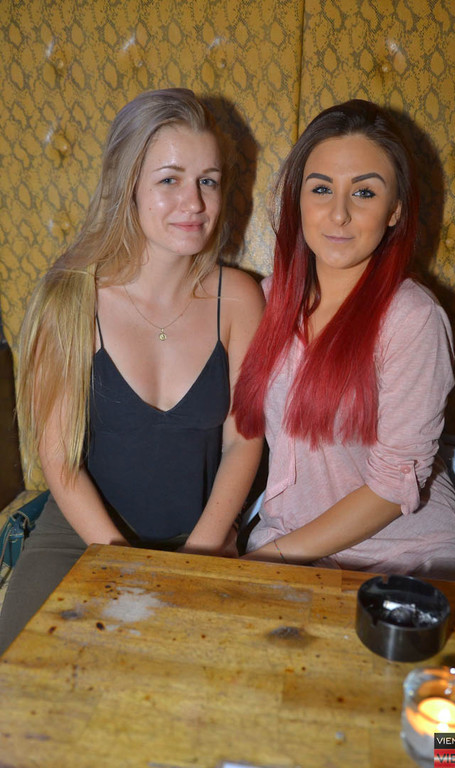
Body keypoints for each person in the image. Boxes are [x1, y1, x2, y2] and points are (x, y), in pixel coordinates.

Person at [0, 88, 264, 652]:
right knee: (20, 677)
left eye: (209, 181)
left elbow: (244, 440)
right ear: (128, 186)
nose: (194, 202)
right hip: (82, 535)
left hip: (202, 537)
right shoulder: (69, 296)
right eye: (170, 179)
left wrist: (201, 552)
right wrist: (122, 564)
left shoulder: (240, 298)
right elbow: (57, 459)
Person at [232, 99, 455, 580]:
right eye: (322, 189)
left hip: (403, 556)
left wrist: (269, 560)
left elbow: (392, 488)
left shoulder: (413, 318)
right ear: (298, 200)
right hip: (288, 539)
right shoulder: (265, 300)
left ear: (394, 211)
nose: (338, 214)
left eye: (364, 192)